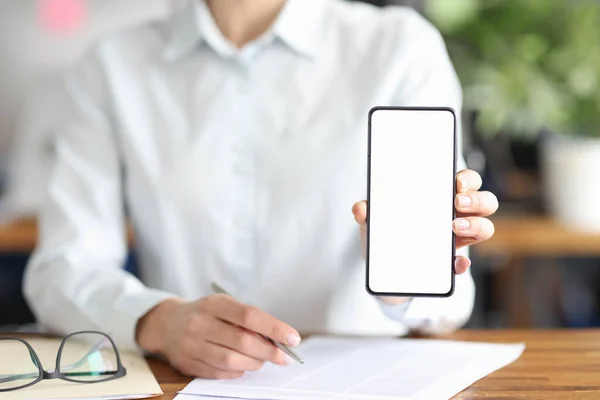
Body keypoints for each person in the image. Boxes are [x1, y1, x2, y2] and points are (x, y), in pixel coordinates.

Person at [24, 0, 498, 379]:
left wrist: (405, 281)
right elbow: (62, 269)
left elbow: (448, 307)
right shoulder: (111, 65)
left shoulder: (398, 48)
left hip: (369, 383)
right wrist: (159, 321)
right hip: (188, 383)